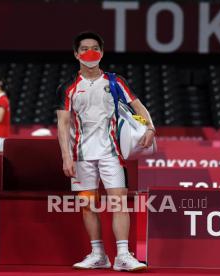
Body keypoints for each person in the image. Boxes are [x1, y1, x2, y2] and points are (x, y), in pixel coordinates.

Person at [55, 31, 155, 272]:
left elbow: (138, 106)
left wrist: (150, 127)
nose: (90, 53)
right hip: (81, 157)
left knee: (119, 201)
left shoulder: (115, 81)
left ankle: (123, 255)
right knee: (88, 205)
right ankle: (98, 254)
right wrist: (66, 157)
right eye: (84, 49)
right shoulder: (68, 88)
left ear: (101, 52)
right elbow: (63, 124)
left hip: (112, 154)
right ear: (76, 54)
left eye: (94, 48)